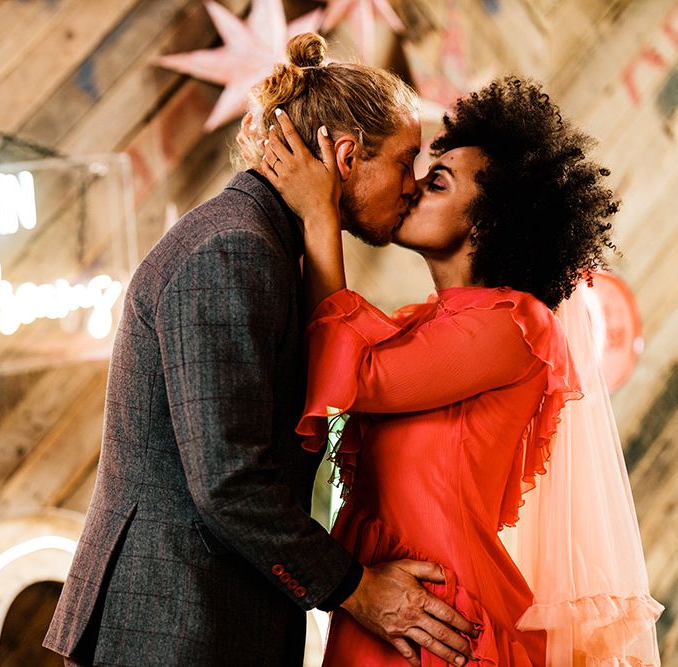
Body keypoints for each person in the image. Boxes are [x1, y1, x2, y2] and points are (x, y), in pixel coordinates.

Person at [43, 34, 479, 667]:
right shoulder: (235, 250)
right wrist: (359, 592)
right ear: (349, 156)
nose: (411, 185)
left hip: (205, 618)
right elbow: (229, 480)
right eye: (405, 160)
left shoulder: (267, 244)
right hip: (175, 624)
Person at [258, 77, 663, 664]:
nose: (414, 186)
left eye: (438, 180)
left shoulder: (515, 326)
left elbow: (359, 375)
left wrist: (319, 213)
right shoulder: (421, 326)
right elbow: (336, 353)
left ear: (489, 222)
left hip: (444, 622)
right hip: (388, 605)